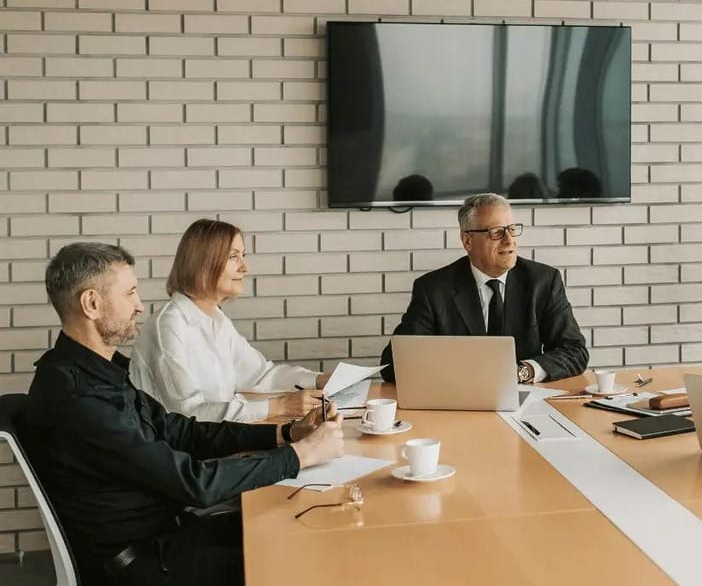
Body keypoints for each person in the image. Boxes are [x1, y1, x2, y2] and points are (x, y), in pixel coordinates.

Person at [22, 243, 347, 585]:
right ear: (92, 303)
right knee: (303, 560)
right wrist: (299, 456)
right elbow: (194, 483)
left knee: (299, 527)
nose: (139, 306)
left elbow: (179, 431)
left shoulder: (98, 373)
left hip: (170, 535)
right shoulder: (79, 398)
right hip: (145, 562)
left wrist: (284, 435)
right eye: (130, 293)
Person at [131, 219, 332, 422]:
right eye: (233, 257)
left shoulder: (217, 319)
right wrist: (279, 407)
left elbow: (260, 375)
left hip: (215, 439)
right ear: (203, 262)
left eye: (242, 256)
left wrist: (318, 379)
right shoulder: (168, 326)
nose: (245, 267)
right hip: (181, 451)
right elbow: (189, 413)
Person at [380, 193, 588, 383]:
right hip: (457, 400)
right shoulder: (433, 289)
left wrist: (523, 372)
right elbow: (394, 365)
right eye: (496, 232)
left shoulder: (543, 281)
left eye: (512, 229)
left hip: (523, 399)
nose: (509, 241)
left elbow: (575, 351)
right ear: (467, 240)